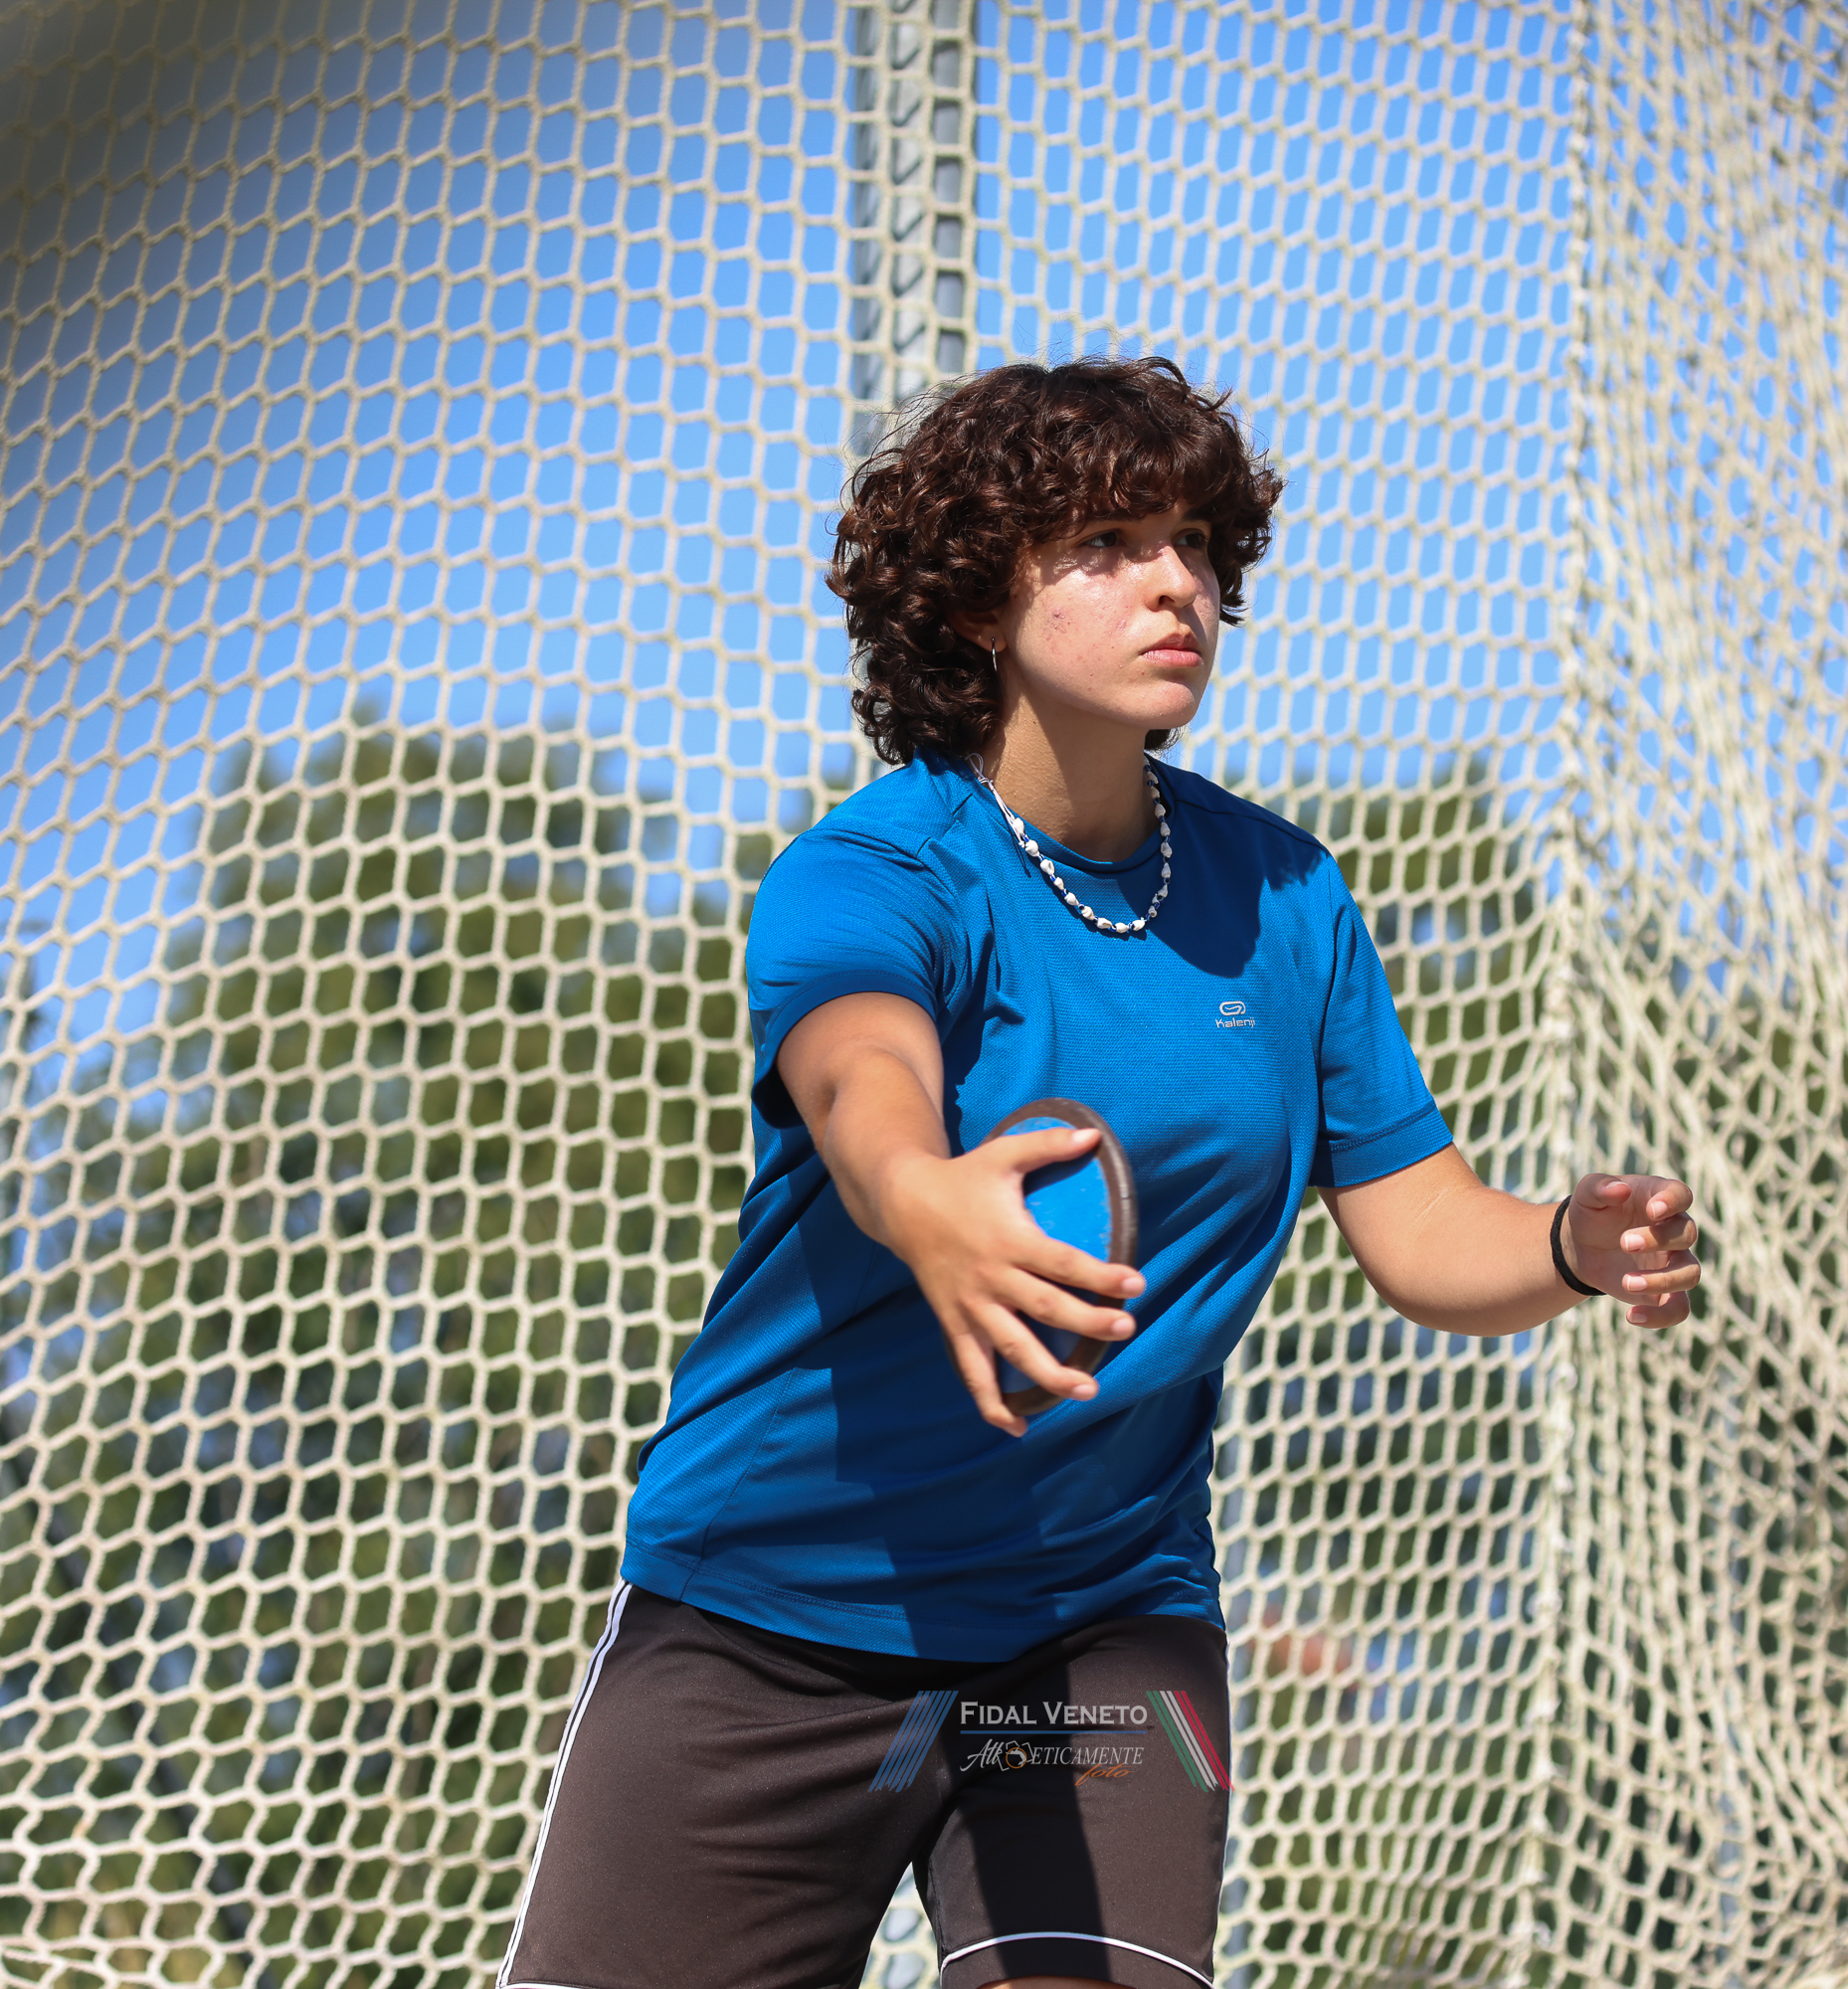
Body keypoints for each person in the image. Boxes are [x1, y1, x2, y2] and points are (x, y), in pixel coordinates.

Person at [491, 356, 1701, 1989]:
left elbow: (1420, 1224)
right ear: (977, 602)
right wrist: (924, 1197)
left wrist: (1565, 1242)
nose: (1175, 581)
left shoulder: (1289, 897)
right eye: (1109, 545)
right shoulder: (879, 869)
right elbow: (858, 1071)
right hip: (767, 1633)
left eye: (1195, 541)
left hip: (1099, 1638)